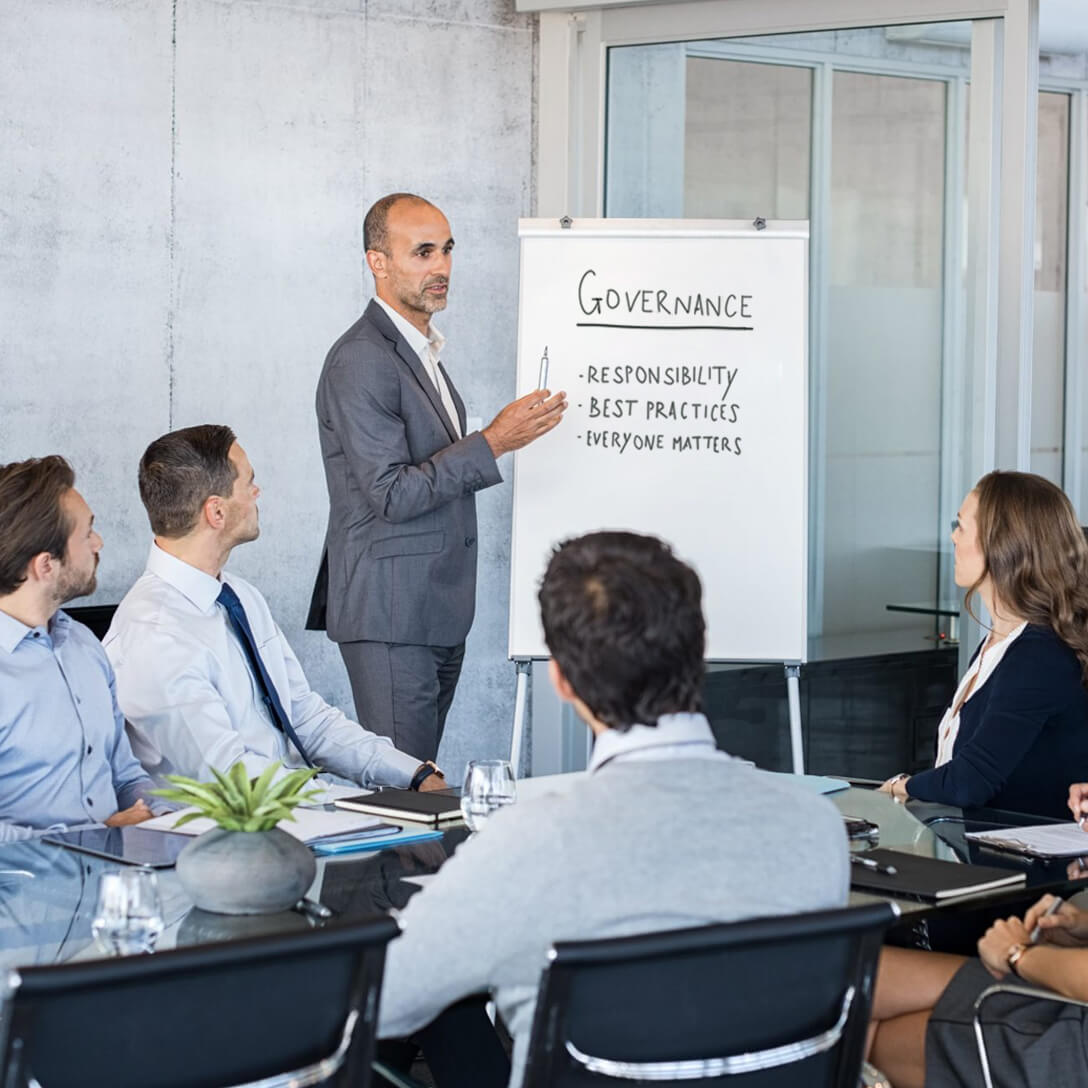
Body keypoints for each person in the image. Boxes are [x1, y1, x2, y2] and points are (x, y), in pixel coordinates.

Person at [376, 530, 850, 1088]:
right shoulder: (815, 827)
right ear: (698, 653)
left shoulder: (529, 843)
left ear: (562, 680)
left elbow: (380, 1001)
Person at [308, 192, 567, 763]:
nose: (442, 267)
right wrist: (495, 441)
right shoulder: (361, 359)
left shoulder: (419, 352)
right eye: (423, 252)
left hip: (432, 610)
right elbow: (391, 493)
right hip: (392, 612)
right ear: (379, 262)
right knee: (406, 794)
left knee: (418, 781)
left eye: (446, 250)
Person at [104, 425, 446, 794]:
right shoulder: (155, 636)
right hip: (228, 836)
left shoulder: (239, 595)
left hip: (296, 817)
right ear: (216, 512)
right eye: (248, 483)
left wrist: (413, 775)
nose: (257, 492)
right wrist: (353, 804)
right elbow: (234, 782)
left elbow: (304, 717)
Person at [878, 471, 1088, 819]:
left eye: (961, 527)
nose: (952, 538)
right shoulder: (999, 644)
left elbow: (969, 781)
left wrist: (902, 785)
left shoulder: (1038, 654)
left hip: (1024, 868)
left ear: (1001, 545)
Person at [0, 456, 165, 840]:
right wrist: (90, 836)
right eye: (87, 533)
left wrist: (163, 816)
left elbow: (125, 775)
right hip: (23, 890)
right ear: (45, 565)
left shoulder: (83, 645)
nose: (98, 542)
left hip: (115, 878)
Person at [869, 879, 1088, 1088]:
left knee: (859, 1018)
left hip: (1062, 1051)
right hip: (1066, 1002)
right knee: (862, 977)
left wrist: (1017, 954)